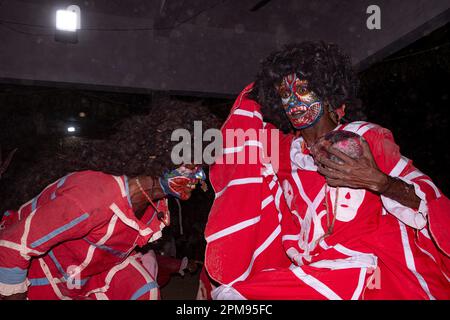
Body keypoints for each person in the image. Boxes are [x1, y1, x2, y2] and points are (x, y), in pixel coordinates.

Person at [204, 41, 450, 299]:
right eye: (284, 94)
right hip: (314, 269)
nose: (293, 101)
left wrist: (381, 183)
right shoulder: (284, 152)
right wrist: (262, 87)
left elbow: (426, 197)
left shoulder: (366, 137)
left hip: (374, 271)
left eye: (302, 89)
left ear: (327, 90)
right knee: (232, 296)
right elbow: (241, 134)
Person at [0, 165, 205, 300]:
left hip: (89, 272)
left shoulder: (154, 206)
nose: (197, 176)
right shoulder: (93, 197)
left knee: (145, 290)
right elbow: (12, 247)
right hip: (38, 269)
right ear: (157, 160)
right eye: (190, 166)